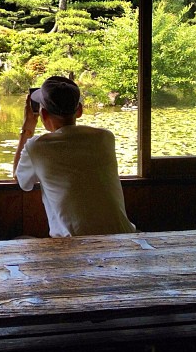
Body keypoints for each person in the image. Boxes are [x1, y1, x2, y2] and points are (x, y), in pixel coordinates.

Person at [13, 76, 136, 237]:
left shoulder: (37, 147)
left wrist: (27, 128)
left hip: (75, 246)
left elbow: (21, 180)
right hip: (123, 238)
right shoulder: (105, 138)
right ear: (79, 110)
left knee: (21, 239)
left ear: (42, 113)